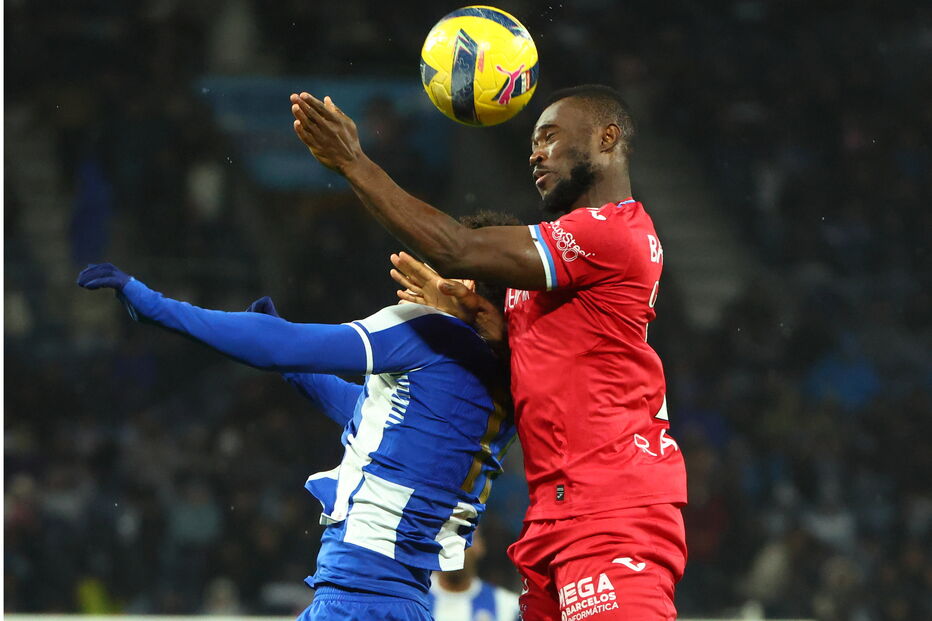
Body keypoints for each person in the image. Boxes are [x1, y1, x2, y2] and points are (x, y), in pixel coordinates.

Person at [290, 84, 688, 620]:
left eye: (549, 137)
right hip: (555, 516)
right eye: (531, 142)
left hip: (614, 509)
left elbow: (454, 246)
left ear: (606, 137)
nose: (535, 153)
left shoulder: (613, 233)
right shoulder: (558, 261)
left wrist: (353, 162)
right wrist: (491, 328)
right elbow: (549, 362)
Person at [76, 239, 516, 621]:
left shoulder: (435, 334)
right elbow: (372, 420)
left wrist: (154, 306)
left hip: (358, 598)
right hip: (400, 602)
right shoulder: (501, 387)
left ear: (467, 288)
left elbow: (276, 346)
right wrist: (296, 370)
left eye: (441, 267)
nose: (419, 283)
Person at [430, 529, 520, 621]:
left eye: (464, 536)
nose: (455, 546)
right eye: (447, 536)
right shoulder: (416, 601)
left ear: (480, 547)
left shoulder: (508, 607)